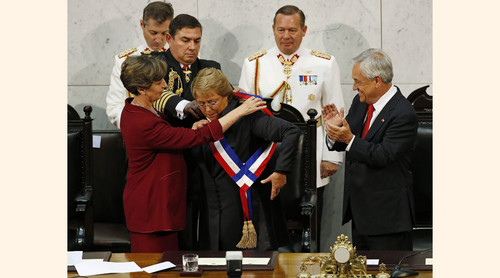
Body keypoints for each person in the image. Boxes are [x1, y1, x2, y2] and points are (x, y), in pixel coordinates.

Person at [119, 55, 266, 252]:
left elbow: (170, 136)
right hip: (151, 208)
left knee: (168, 268)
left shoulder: (142, 109)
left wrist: (192, 129)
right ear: (141, 89)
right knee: (152, 269)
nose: (164, 85)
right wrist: (239, 111)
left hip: (162, 206)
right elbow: (196, 138)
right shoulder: (141, 121)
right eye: (158, 82)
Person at [237, 4, 344, 247]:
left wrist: (332, 156)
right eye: (281, 30)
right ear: (273, 29)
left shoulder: (324, 64)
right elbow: (245, 115)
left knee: (309, 219)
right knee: (268, 221)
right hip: (265, 154)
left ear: (304, 30)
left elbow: (335, 114)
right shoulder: (254, 64)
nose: (286, 36)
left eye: (293, 30)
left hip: (311, 155)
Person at [190, 68, 300, 251]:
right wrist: (196, 135)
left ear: (227, 96)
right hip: (211, 212)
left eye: (212, 102)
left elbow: (291, 131)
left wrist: (282, 171)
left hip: (247, 212)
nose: (207, 109)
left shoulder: (250, 115)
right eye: (201, 104)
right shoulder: (202, 122)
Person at [323, 48, 418, 250]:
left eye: (358, 82)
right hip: (360, 212)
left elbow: (383, 155)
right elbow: (349, 140)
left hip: (387, 219)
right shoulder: (361, 102)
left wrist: (348, 138)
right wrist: (335, 130)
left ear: (377, 81)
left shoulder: (403, 113)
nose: (354, 87)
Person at [106, 1, 174, 129]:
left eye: (164, 33)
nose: (159, 39)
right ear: (142, 24)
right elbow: (115, 109)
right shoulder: (125, 60)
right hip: (140, 134)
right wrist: (140, 128)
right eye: (153, 33)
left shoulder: (182, 56)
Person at [153, 14, 220, 127]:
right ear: (169, 39)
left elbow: (224, 99)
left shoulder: (211, 68)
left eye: (197, 41)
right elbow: (153, 94)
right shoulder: (153, 63)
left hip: (202, 138)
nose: (192, 47)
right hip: (166, 138)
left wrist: (235, 95)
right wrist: (184, 105)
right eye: (186, 41)